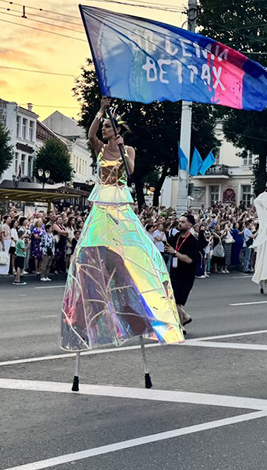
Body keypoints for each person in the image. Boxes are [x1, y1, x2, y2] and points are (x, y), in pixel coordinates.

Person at [61, 98, 182, 349]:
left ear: (117, 131)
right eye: (104, 128)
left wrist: (123, 147)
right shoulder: (99, 147)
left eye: (108, 127)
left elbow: (130, 172)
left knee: (137, 249)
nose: (104, 131)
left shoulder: (128, 150)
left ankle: (142, 294)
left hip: (121, 202)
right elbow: (90, 133)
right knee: (90, 250)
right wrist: (101, 110)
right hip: (102, 200)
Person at [165, 213, 201, 328]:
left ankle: (181, 324)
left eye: (183, 222)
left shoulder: (192, 241)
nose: (180, 224)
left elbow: (189, 260)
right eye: (179, 221)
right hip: (175, 272)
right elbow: (167, 244)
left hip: (186, 275)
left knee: (176, 300)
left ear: (190, 225)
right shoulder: (176, 237)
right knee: (173, 299)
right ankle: (183, 320)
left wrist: (174, 252)